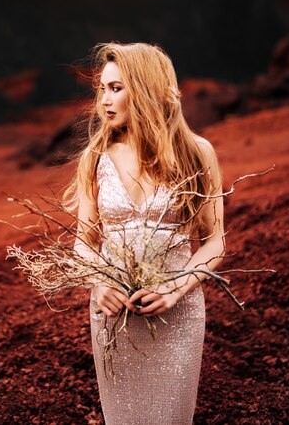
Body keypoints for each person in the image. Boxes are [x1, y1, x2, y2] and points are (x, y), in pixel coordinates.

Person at [66, 42, 225, 425]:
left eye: (116, 88)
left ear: (146, 87)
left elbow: (215, 243)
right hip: (114, 314)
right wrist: (98, 283)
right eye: (102, 89)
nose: (104, 100)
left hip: (178, 312)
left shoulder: (196, 152)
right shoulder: (96, 156)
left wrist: (175, 288)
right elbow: (83, 243)